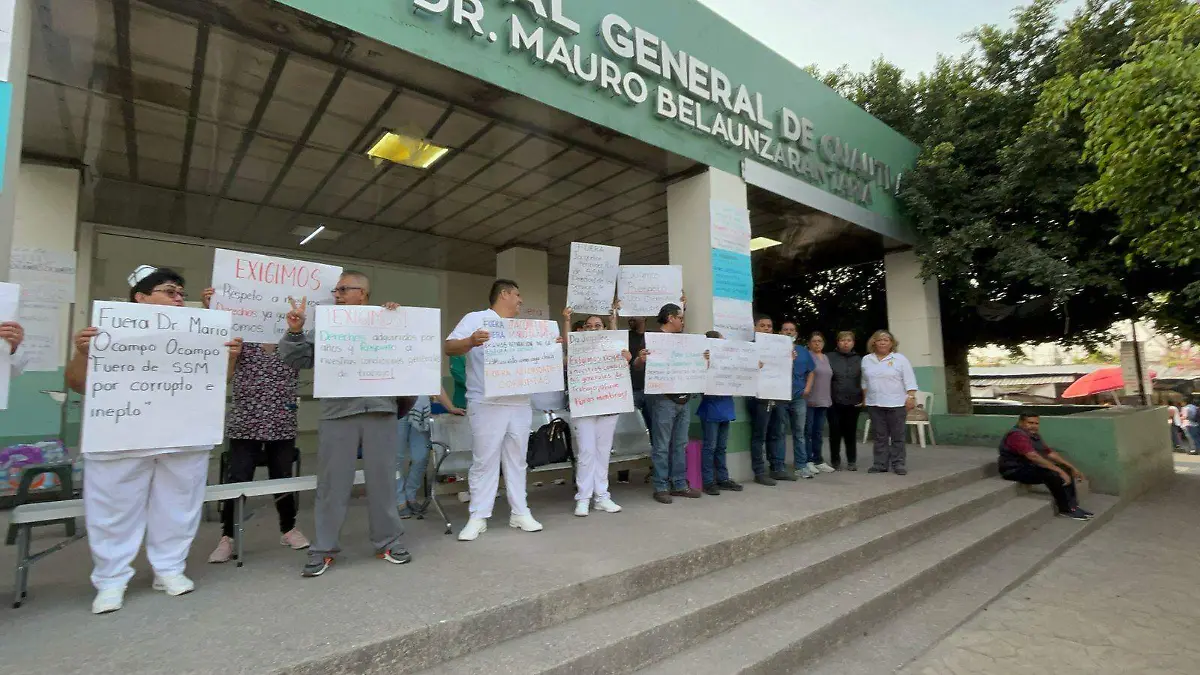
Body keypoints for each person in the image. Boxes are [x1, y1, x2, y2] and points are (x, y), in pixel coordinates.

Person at [66, 266, 243, 614]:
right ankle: (111, 579)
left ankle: (169, 569)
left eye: (180, 292)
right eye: (169, 291)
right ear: (141, 297)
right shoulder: (103, 331)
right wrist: (83, 353)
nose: (178, 298)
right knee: (113, 510)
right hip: (122, 434)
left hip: (182, 435)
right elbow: (76, 383)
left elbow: (216, 381)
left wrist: (230, 358)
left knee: (179, 505)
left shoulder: (200, 333)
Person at [278, 271, 411, 577]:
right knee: (332, 484)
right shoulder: (327, 326)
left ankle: (389, 541)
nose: (335, 295)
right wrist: (295, 332)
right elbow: (295, 359)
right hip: (338, 412)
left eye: (342, 290)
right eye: (335, 290)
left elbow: (411, 354)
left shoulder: (387, 320)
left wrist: (399, 319)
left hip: (379, 410)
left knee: (382, 481)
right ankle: (323, 548)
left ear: (362, 293)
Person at [201, 288, 310, 564]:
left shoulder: (294, 341)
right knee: (237, 479)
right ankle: (229, 536)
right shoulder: (241, 340)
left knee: (283, 477)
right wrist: (213, 307)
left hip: (281, 420)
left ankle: (288, 528)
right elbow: (219, 367)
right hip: (245, 421)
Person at [447, 279, 560, 541]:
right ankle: (478, 516)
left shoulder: (525, 328)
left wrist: (550, 346)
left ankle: (520, 512)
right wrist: (471, 341)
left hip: (519, 402)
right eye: (518, 295)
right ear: (505, 294)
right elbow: (448, 347)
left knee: (517, 461)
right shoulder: (476, 319)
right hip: (486, 402)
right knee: (484, 460)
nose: (521, 301)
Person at [562, 304, 629, 516]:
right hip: (584, 407)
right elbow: (569, 344)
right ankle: (583, 498)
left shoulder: (615, 348)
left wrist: (613, 321)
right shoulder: (578, 350)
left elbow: (618, 342)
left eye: (598, 325)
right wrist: (566, 320)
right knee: (586, 452)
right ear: (582, 330)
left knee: (602, 452)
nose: (593, 328)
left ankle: (602, 496)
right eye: (589, 325)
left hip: (608, 406)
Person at [643, 303, 703, 503]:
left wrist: (703, 359)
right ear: (670, 318)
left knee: (680, 444)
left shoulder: (686, 342)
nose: (682, 322)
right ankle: (661, 486)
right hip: (663, 400)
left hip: (684, 399)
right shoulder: (653, 340)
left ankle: (679, 484)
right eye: (681, 318)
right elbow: (637, 364)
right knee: (661, 445)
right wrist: (641, 360)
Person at [998, 413, 1094, 521]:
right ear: (1021, 423)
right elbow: (1032, 456)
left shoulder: (1034, 435)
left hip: (1027, 466)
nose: (1034, 426)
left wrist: (1071, 467)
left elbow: (1049, 453)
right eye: (1030, 423)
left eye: (1036, 423)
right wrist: (1058, 470)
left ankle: (1073, 506)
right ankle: (1065, 509)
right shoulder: (1017, 435)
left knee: (1065, 469)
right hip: (1013, 470)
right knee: (1052, 473)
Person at [397, 388, 464, 518]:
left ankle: (410, 496)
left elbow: (436, 382)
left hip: (421, 410)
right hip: (395, 408)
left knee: (421, 457)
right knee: (395, 458)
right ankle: (399, 501)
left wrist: (450, 408)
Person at [861, 330, 917, 475]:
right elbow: (864, 382)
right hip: (875, 403)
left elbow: (909, 380)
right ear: (874, 342)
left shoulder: (900, 359)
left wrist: (910, 397)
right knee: (880, 436)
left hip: (896, 403)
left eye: (886, 340)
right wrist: (865, 398)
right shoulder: (867, 359)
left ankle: (898, 464)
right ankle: (880, 464)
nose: (883, 342)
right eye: (879, 340)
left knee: (898, 435)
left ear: (892, 343)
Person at [748, 315, 794, 485]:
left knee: (777, 432)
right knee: (759, 435)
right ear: (755, 328)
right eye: (762, 325)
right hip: (759, 396)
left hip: (778, 395)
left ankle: (777, 468)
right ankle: (759, 472)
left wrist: (790, 359)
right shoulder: (750, 347)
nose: (766, 328)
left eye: (769, 326)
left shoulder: (781, 346)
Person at [697, 331, 743, 496]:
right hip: (711, 408)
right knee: (710, 446)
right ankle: (708, 481)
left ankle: (723, 478)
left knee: (721, 446)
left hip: (726, 407)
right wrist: (707, 361)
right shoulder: (703, 360)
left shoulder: (728, 362)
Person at [779, 320, 818, 479]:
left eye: (792, 330)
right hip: (780, 396)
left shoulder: (803, 350)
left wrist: (807, 389)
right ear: (780, 332)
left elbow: (811, 371)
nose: (788, 332)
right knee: (780, 431)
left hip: (798, 397)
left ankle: (801, 466)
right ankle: (779, 466)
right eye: (785, 329)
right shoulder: (773, 349)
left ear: (796, 334)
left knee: (799, 432)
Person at [826, 331, 863, 471]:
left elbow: (864, 380)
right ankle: (835, 460)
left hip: (854, 401)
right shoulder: (829, 357)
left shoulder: (859, 359)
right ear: (837, 342)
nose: (845, 343)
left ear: (853, 343)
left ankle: (852, 460)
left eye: (849, 340)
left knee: (850, 431)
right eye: (842, 340)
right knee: (835, 431)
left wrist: (863, 398)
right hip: (833, 400)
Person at [805, 332, 836, 474]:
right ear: (809, 343)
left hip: (823, 400)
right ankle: (807, 460)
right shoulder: (807, 356)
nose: (817, 343)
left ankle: (818, 460)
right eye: (814, 341)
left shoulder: (826, 358)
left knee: (818, 432)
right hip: (809, 400)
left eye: (820, 341)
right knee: (808, 432)